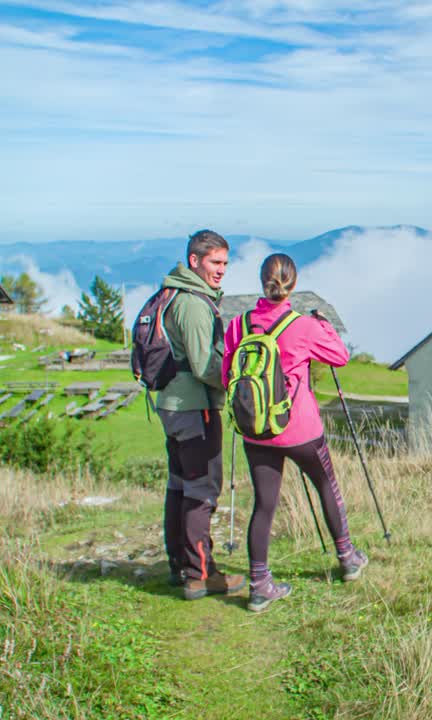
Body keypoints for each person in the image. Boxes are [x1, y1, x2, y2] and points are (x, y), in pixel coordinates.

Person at [222, 253, 368, 612]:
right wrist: (324, 325)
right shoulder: (302, 326)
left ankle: (259, 585)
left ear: (261, 281)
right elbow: (339, 357)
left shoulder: (238, 326)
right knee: (326, 487)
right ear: (293, 283)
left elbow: (228, 373)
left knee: (264, 505)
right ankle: (347, 558)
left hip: (256, 429)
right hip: (300, 428)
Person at [157, 229, 246, 600]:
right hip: (195, 408)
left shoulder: (172, 292)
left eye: (225, 262)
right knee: (201, 490)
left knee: (179, 486)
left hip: (172, 404)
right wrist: (236, 379)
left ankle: (180, 563)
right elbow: (203, 363)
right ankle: (199, 574)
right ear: (194, 261)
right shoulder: (193, 303)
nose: (221, 270)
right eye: (215, 262)